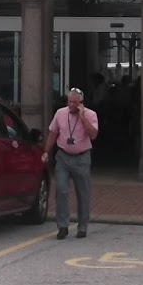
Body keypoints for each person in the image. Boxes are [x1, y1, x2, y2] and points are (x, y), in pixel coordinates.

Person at [42, 87, 99, 240]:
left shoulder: (91, 115)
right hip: (63, 157)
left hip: (82, 157)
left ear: (81, 103)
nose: (72, 105)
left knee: (83, 193)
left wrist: (82, 117)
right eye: (70, 102)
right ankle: (62, 226)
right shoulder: (60, 113)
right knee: (61, 190)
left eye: (75, 103)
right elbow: (53, 133)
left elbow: (93, 135)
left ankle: (82, 226)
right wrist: (46, 151)